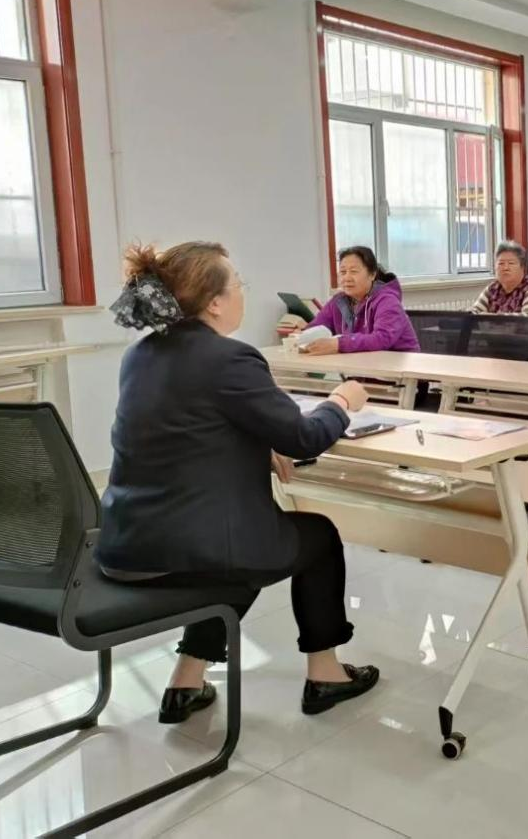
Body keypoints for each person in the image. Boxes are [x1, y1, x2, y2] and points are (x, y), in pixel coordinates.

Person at [99, 242, 381, 723]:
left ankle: (186, 680)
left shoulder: (140, 355)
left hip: (128, 543)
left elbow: (182, 431)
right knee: (312, 538)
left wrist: (256, 442)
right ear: (214, 302)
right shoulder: (228, 359)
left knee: (247, 543)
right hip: (189, 548)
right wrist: (340, 400)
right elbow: (304, 438)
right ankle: (326, 674)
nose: (243, 293)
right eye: (238, 284)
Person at [300, 246, 418, 354]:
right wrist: (302, 333)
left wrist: (339, 344)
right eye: (343, 272)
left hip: (398, 366)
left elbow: (382, 338)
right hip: (361, 365)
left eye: (354, 272)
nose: (347, 278)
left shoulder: (387, 301)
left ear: (372, 274)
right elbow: (317, 326)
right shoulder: (338, 301)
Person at [470, 240, 528, 317]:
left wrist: (490, 317)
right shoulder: (492, 288)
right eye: (501, 263)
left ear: (522, 267)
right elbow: (473, 313)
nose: (505, 268)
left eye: (511, 263)